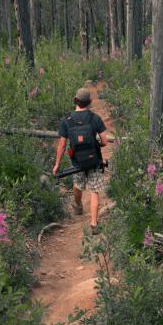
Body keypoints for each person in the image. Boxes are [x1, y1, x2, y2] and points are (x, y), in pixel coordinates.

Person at [53, 87, 107, 233]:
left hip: (77, 161)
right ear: (89, 102)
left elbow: (62, 144)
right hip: (94, 159)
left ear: (75, 101)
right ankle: (94, 224)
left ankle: (77, 205)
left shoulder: (67, 120)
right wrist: (98, 143)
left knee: (78, 183)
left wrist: (57, 164)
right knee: (94, 191)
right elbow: (104, 141)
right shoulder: (94, 118)